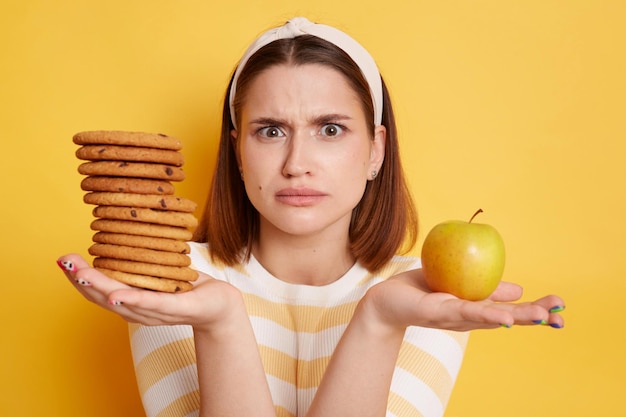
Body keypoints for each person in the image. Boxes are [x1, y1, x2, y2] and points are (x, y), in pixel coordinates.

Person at [57, 17, 565, 417]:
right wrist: (221, 323)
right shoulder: (172, 280)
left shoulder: (424, 293)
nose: (297, 163)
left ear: (376, 150)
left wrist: (380, 319)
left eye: (330, 129)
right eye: (271, 130)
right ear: (237, 151)